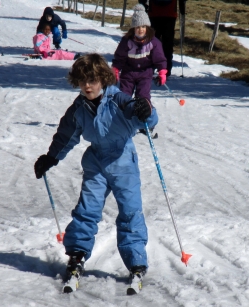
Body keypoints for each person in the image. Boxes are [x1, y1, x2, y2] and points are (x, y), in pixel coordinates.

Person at [34, 53, 158, 294]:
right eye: (82, 81)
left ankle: (136, 262)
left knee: (130, 211)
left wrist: (146, 109)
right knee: (86, 210)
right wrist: (51, 157)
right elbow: (65, 135)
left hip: (123, 161)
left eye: (91, 80)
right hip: (96, 163)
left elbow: (146, 117)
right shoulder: (78, 108)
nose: (87, 86)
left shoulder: (118, 100)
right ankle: (78, 255)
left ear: (103, 79)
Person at [112, 4, 167, 102]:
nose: (140, 30)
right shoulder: (127, 41)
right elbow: (120, 57)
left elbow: (159, 58)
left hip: (145, 73)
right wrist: (115, 69)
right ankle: (123, 113)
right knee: (124, 95)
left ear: (147, 27)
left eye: (143, 26)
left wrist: (162, 72)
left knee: (143, 96)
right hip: (128, 72)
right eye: (137, 27)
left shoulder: (153, 42)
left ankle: (142, 112)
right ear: (133, 28)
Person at [139, 0, 187, 77]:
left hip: (154, 13)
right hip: (170, 13)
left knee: (152, 42)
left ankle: (149, 67)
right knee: (168, 43)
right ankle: (166, 69)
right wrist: (182, 7)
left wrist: (144, 5)